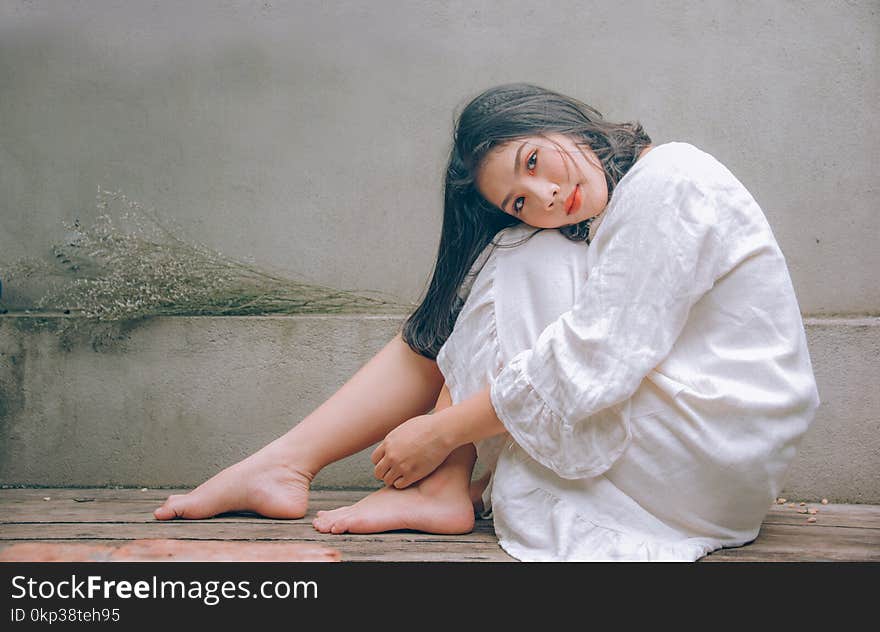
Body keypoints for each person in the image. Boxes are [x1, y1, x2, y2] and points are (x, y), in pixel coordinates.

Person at [154, 83, 820, 561]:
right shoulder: (624, 206)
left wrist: (437, 433)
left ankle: (361, 473)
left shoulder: (671, 181)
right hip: (708, 460)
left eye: (534, 161)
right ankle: (292, 464)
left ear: (564, 125)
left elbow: (591, 364)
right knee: (520, 250)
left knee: (517, 257)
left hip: (706, 461)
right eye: (521, 199)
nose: (551, 196)